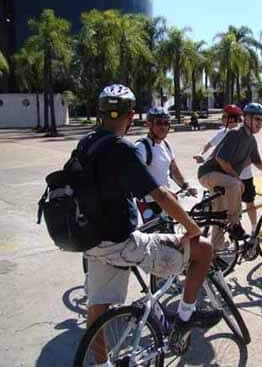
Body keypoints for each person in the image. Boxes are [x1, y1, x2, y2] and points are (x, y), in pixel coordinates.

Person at [83, 84, 222, 364]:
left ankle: (102, 364)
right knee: (204, 248)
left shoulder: (86, 143)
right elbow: (159, 193)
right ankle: (185, 316)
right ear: (132, 115)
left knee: (97, 308)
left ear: (99, 112)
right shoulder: (122, 148)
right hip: (121, 242)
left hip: (92, 242)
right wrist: (191, 228)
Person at [197, 102, 262, 250]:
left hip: (222, 181)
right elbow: (221, 159)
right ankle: (236, 225)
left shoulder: (251, 140)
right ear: (246, 118)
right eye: (256, 119)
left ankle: (217, 253)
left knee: (220, 217)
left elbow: (259, 163)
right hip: (208, 174)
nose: (259, 123)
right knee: (236, 184)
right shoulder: (235, 133)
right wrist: (237, 178)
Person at [194, 104, 258, 234]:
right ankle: (233, 227)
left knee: (249, 203)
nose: (222, 119)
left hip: (242, 175)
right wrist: (201, 154)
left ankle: (254, 230)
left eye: (224, 116)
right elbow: (210, 147)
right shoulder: (223, 133)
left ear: (233, 119)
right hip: (225, 174)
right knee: (224, 210)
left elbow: (250, 158)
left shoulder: (242, 134)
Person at [135, 106, 197, 223]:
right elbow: (136, 175)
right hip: (149, 203)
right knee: (155, 235)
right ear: (149, 124)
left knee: (170, 232)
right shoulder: (142, 147)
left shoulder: (166, 144)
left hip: (167, 200)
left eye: (166, 123)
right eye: (158, 123)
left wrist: (185, 186)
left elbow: (173, 169)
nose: (163, 127)